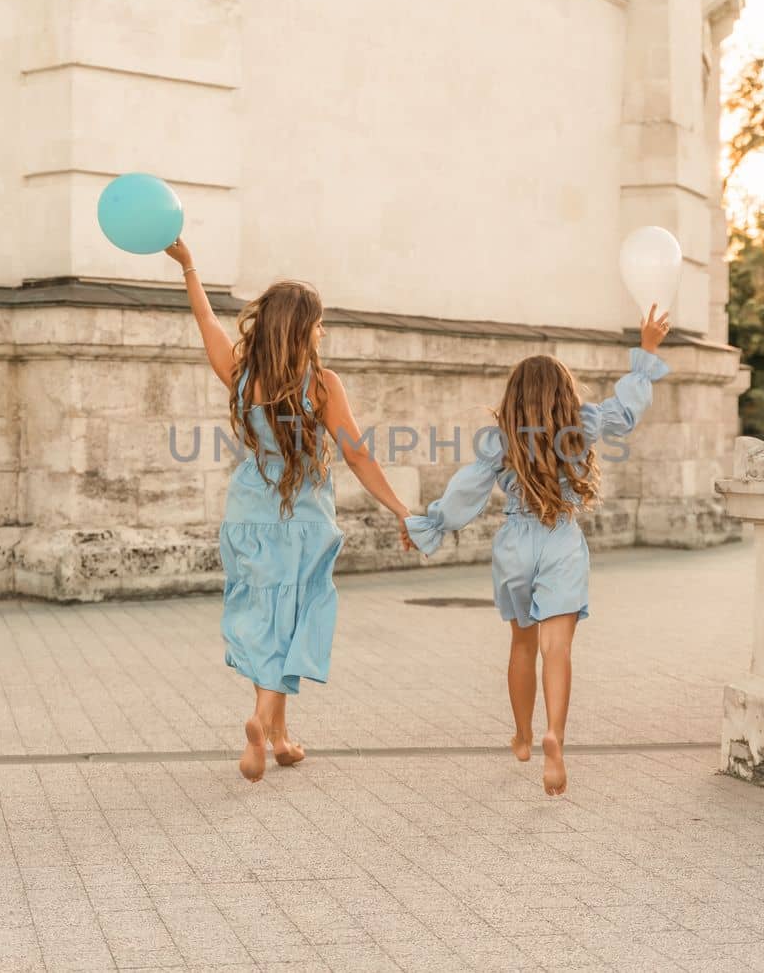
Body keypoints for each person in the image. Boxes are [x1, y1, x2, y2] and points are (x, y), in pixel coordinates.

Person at [166, 237, 413, 782]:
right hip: (301, 522)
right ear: (303, 329)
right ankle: (259, 720)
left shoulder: (241, 374)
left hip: (247, 516)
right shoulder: (322, 385)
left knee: (266, 619)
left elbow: (205, 319)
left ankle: (277, 735)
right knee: (294, 621)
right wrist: (399, 508)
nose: (323, 332)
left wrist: (189, 266)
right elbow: (357, 454)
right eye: (319, 323)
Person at [404, 306, 671, 795]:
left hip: (514, 544)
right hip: (561, 538)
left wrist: (432, 525)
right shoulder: (584, 424)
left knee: (522, 646)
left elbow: (467, 490)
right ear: (565, 395)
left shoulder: (500, 439)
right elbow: (626, 410)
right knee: (558, 649)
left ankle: (524, 737)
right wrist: (646, 350)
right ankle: (556, 738)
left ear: (513, 397)